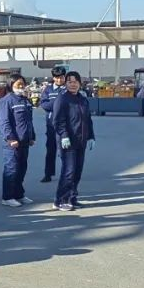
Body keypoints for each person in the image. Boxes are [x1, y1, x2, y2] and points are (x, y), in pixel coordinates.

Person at [52, 71, 95, 212]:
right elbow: (58, 120)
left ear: (79, 83)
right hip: (68, 142)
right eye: (70, 82)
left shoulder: (83, 99)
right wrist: (64, 135)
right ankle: (60, 200)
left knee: (77, 171)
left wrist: (91, 136)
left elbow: (87, 120)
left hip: (80, 141)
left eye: (75, 81)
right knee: (68, 172)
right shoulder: (62, 99)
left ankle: (72, 198)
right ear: (66, 83)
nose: (73, 84)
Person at [0, 75, 37, 208]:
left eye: (22, 84)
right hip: (12, 143)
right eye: (17, 84)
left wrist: (32, 137)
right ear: (11, 85)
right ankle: (7, 197)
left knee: (21, 169)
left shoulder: (25, 100)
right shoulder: (6, 101)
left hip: (25, 141)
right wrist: (10, 138)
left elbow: (29, 121)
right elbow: (4, 122)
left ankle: (19, 194)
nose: (21, 87)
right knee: (11, 169)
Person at [39, 66, 67, 183]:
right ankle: (48, 174)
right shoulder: (48, 90)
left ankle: (66, 173)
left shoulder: (67, 89)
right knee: (50, 150)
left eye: (61, 77)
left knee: (64, 151)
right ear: (53, 78)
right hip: (51, 126)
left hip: (65, 126)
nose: (59, 80)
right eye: (57, 78)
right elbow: (44, 104)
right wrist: (58, 104)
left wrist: (55, 105)